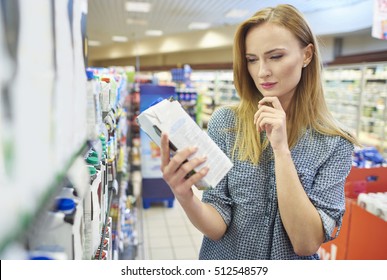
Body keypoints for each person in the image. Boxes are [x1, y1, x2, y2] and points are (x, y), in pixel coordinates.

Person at [159, 4, 359, 260]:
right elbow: (218, 222)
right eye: (252, 60)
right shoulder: (226, 123)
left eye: (275, 56)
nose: (262, 71)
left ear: (307, 55)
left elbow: (306, 243)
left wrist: (281, 151)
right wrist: (185, 196)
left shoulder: (334, 143)